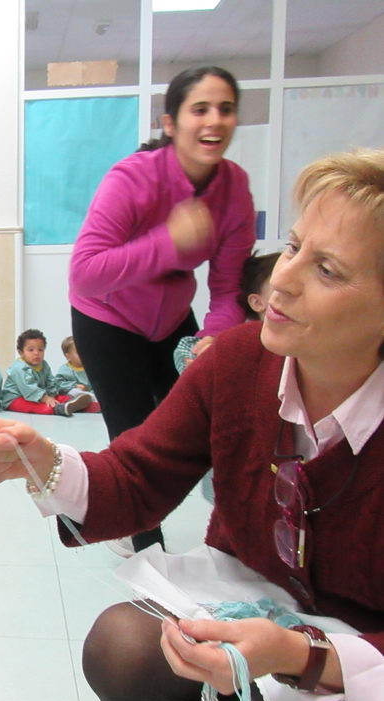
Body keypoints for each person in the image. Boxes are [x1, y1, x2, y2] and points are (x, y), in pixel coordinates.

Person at [0, 149, 384, 701]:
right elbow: (140, 475)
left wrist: (301, 656)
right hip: (273, 620)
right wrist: (45, 460)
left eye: (328, 270)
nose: (282, 279)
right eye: (295, 246)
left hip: (366, 671)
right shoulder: (241, 360)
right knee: (122, 645)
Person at [69, 65, 256, 553]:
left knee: (218, 423)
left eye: (226, 109)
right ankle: (148, 553)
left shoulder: (234, 189)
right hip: (106, 319)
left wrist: (213, 339)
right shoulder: (133, 178)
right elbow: (85, 271)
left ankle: (243, 542)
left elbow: (229, 285)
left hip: (173, 322)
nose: (214, 120)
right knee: (134, 436)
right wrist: (168, 243)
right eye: (200, 109)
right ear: (171, 124)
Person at [175, 251, 279, 371]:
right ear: (257, 302)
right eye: (280, 290)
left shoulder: (297, 336)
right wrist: (205, 357)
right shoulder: (237, 340)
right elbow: (186, 348)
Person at [0, 329, 93, 417]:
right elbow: (29, 388)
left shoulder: (44, 364)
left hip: (39, 395)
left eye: (40, 349)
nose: (36, 353)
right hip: (16, 398)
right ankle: (59, 408)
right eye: (31, 350)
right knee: (42, 407)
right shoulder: (19, 368)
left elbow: (50, 381)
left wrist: (53, 395)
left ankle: (73, 403)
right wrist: (46, 399)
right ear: (21, 352)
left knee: (61, 398)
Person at [54, 336, 100, 413]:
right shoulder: (65, 369)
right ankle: (76, 403)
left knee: (97, 395)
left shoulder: (88, 369)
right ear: (68, 356)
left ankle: (88, 405)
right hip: (72, 392)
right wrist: (74, 385)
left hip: (88, 393)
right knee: (75, 392)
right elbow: (58, 384)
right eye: (78, 352)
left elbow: (93, 384)